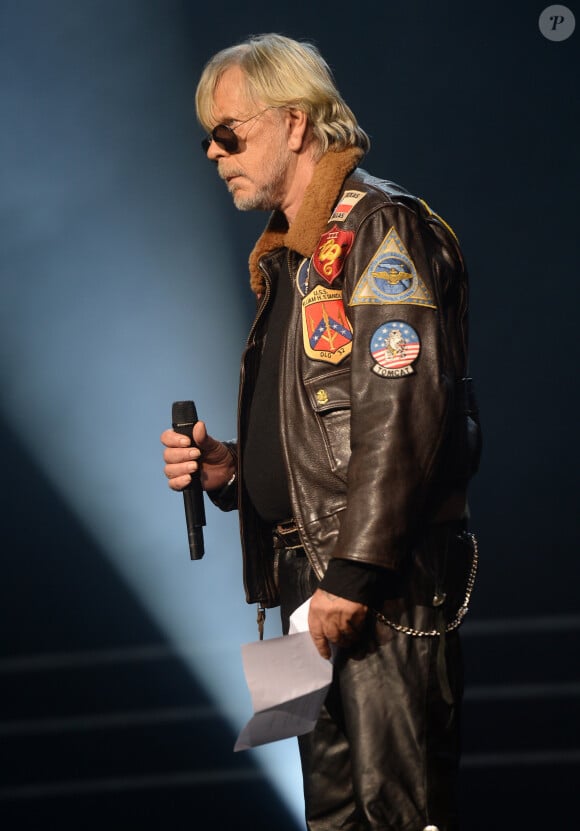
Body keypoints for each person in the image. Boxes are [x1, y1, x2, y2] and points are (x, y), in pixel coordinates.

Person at [161, 33, 481, 831]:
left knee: (395, 815)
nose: (212, 150)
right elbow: (320, 435)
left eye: (228, 131)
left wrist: (352, 573)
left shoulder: (380, 230)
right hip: (311, 586)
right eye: (208, 135)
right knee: (333, 819)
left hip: (375, 587)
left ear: (296, 124)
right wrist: (230, 473)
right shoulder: (292, 259)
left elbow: (404, 417)